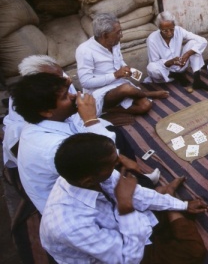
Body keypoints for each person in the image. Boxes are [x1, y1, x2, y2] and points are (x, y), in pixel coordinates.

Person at [40, 133, 208, 264]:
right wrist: (125, 208)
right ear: (88, 180)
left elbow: (139, 195)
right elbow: (127, 259)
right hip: (119, 255)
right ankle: (168, 201)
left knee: (150, 199)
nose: (124, 164)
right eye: (114, 163)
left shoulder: (91, 175)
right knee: (192, 251)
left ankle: (168, 200)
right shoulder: (69, 226)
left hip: (125, 223)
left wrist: (183, 205)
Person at [11, 73, 158, 213]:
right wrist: (91, 119)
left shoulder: (52, 117)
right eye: (65, 97)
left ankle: (136, 178)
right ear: (46, 111)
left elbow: (83, 131)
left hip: (81, 170)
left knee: (112, 131)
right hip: (73, 206)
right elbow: (102, 155)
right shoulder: (52, 147)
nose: (74, 96)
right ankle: (141, 188)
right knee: (118, 162)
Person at [76, 13, 169, 116]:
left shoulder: (114, 42)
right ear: (105, 35)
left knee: (145, 106)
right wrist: (115, 75)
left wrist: (125, 68)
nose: (121, 35)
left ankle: (108, 110)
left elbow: (119, 61)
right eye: (118, 32)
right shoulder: (84, 50)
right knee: (126, 88)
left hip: (119, 86)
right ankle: (148, 94)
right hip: (98, 92)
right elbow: (85, 82)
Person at [2, 55, 77, 170]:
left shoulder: (60, 77)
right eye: (65, 96)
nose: (65, 80)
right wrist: (91, 121)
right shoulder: (29, 100)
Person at [145, 11, 208, 92]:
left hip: (181, 64)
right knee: (151, 68)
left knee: (194, 44)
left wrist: (187, 54)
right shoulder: (152, 39)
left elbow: (203, 41)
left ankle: (197, 80)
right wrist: (170, 62)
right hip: (166, 70)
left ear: (174, 25)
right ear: (159, 28)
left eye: (171, 29)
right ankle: (176, 76)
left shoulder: (179, 30)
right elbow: (154, 62)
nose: (169, 33)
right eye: (165, 31)